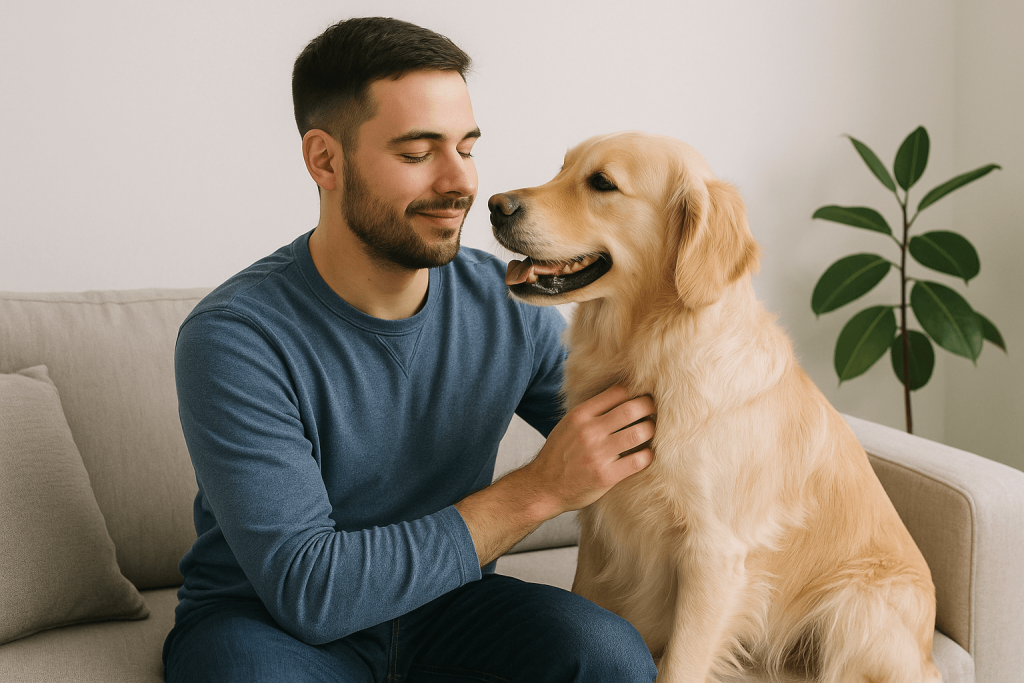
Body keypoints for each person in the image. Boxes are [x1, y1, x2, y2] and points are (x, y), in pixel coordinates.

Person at [162, 16, 658, 683]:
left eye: (467, 147)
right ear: (325, 159)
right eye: (418, 153)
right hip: (268, 625)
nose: (459, 182)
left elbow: (652, 430)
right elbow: (312, 591)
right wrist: (538, 490)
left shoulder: (504, 300)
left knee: (609, 658)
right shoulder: (234, 336)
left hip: (449, 607)